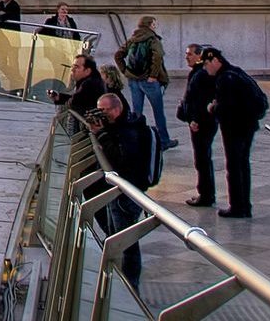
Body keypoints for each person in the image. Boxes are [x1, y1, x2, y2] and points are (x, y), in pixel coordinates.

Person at [86, 92, 153, 287]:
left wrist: (101, 134)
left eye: (104, 110)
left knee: (126, 243)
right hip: (117, 190)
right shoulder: (120, 126)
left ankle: (130, 286)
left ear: (117, 110)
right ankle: (120, 279)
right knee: (116, 238)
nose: (101, 115)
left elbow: (120, 161)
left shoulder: (128, 131)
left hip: (126, 193)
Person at [202, 47, 268, 218]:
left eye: (207, 64)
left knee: (234, 165)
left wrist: (213, 108)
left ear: (215, 60)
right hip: (248, 125)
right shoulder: (236, 73)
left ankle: (238, 206)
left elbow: (227, 107)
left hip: (235, 127)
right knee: (242, 164)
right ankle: (244, 205)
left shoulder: (226, 78)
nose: (205, 68)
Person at [116, 16, 174, 148]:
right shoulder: (153, 39)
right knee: (158, 111)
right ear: (149, 25)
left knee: (137, 112)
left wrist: (125, 71)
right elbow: (158, 56)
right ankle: (164, 140)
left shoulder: (132, 39)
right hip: (149, 80)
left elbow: (118, 55)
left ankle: (135, 137)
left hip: (133, 79)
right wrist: (153, 75)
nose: (155, 26)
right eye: (154, 24)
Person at [176, 42, 218, 207]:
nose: (187, 57)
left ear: (199, 56)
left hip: (202, 123)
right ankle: (206, 193)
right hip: (199, 121)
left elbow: (200, 100)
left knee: (202, 158)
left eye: (190, 54)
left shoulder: (202, 74)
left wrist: (195, 119)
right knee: (201, 158)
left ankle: (206, 194)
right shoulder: (197, 72)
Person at [50, 52, 108, 123]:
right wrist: (59, 97)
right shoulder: (91, 80)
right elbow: (78, 98)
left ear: (87, 71)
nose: (72, 70)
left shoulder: (89, 84)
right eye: (72, 66)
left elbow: (74, 102)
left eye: (76, 67)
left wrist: (62, 101)